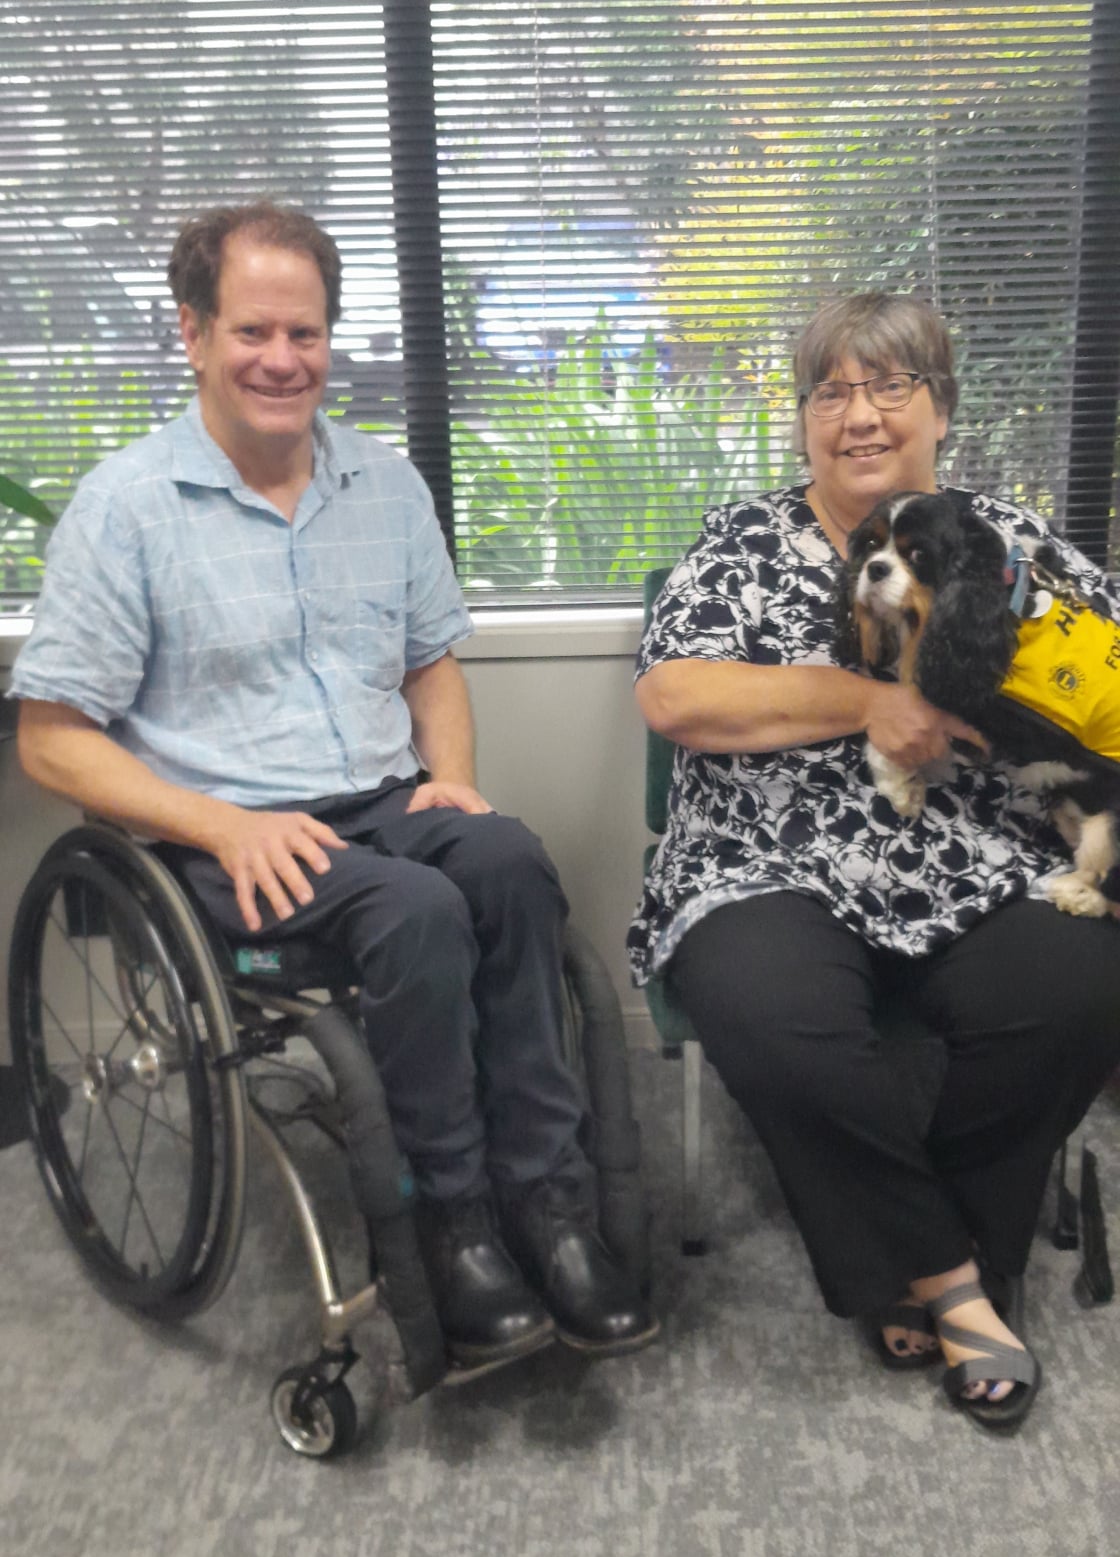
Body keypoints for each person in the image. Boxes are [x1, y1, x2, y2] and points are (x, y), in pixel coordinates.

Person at [10, 200, 656, 1368]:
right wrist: (221, 822)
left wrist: (453, 779)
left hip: (381, 796)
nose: (281, 359)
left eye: (304, 334)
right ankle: (450, 1222)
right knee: (412, 913)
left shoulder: (386, 485)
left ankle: (549, 1207)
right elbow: (52, 740)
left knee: (506, 859)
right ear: (194, 333)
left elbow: (429, 664)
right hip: (222, 835)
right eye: (253, 330)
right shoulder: (125, 509)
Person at [631, 291, 1120, 1433]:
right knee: (771, 1013)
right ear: (802, 420)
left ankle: (913, 1247)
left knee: (1077, 986)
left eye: (889, 385)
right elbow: (674, 693)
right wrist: (869, 701)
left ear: (940, 408)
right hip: (766, 858)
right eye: (830, 390)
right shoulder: (746, 540)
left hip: (976, 855)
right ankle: (957, 1279)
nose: (859, 414)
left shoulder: (1010, 539)